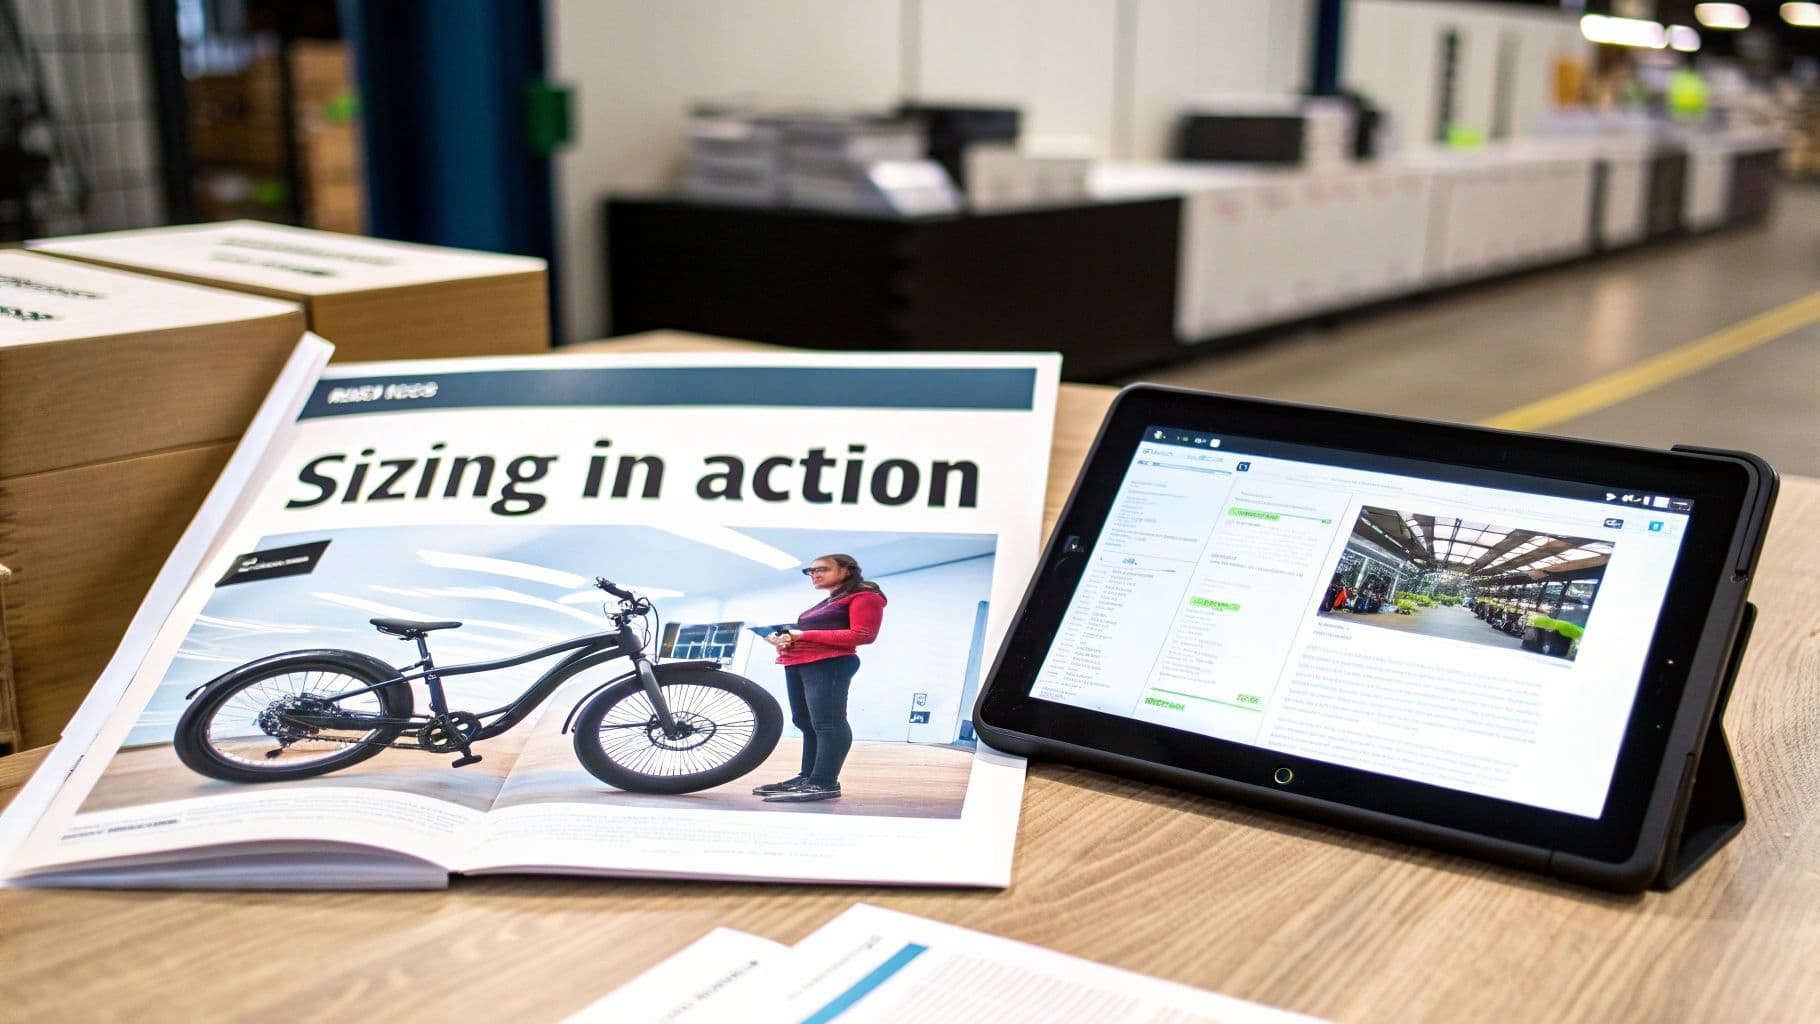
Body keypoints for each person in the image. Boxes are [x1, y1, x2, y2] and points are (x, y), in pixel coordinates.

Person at [751, 553, 887, 803]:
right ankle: (808, 777)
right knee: (805, 721)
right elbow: (813, 633)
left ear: (846, 570)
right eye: (810, 571)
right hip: (801, 663)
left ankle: (824, 782)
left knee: (828, 723)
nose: (814, 574)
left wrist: (802, 635)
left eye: (822, 569)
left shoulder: (866, 596)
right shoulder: (830, 601)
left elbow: (863, 634)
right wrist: (785, 639)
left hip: (829, 665)